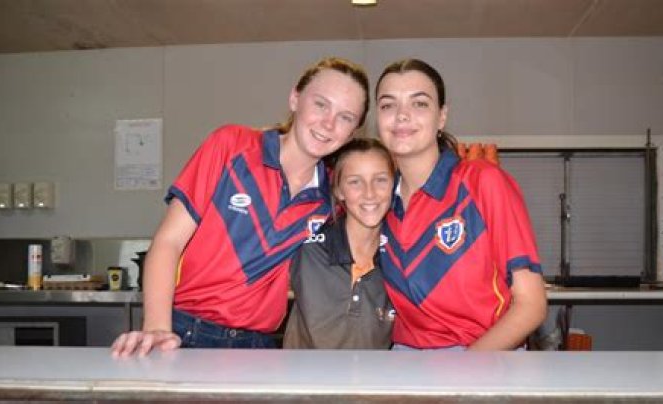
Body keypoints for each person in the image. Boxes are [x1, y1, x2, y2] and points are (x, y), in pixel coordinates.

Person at [111, 56, 370, 357]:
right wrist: (157, 327)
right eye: (321, 104)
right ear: (295, 98)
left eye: (345, 117)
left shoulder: (332, 197)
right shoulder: (231, 146)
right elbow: (169, 241)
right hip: (186, 331)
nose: (328, 123)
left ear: (353, 132)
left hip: (258, 346)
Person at [374, 59, 547, 351]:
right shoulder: (377, 201)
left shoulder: (483, 182)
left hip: (485, 355)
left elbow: (531, 305)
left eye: (419, 103)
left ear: (442, 117)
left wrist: (467, 368)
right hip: (405, 359)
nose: (402, 115)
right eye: (388, 105)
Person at [283, 138, 395, 349]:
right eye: (355, 182)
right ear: (338, 190)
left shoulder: (401, 259)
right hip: (300, 371)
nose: (369, 193)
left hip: (374, 372)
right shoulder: (306, 246)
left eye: (380, 180)